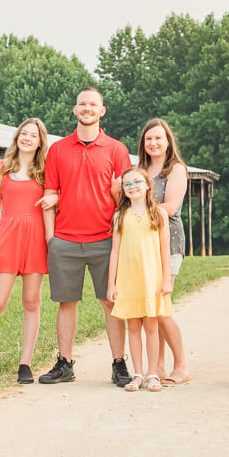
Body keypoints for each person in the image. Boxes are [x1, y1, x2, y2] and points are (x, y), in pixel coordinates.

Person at [37, 88, 133, 385]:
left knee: (110, 302)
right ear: (75, 110)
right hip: (65, 239)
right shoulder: (58, 149)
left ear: (102, 111)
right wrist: (52, 238)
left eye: (93, 104)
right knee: (67, 303)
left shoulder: (116, 149)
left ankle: (119, 363)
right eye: (82, 104)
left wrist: (119, 235)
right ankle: (64, 363)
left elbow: (127, 197)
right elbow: (49, 195)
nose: (87, 108)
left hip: (105, 239)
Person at [0, 118, 51, 384]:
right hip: (7, 239)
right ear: (17, 137)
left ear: (40, 142)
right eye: (23, 133)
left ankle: (25, 364)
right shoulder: (1, 168)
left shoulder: (45, 171)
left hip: (35, 239)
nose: (27, 138)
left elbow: (54, 200)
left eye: (33, 135)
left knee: (31, 302)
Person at [107, 168, 173, 392]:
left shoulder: (159, 213)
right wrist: (111, 284)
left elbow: (165, 249)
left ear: (147, 184)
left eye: (137, 182)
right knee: (133, 325)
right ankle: (137, 374)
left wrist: (166, 280)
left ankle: (153, 373)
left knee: (151, 325)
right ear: (123, 190)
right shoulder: (120, 216)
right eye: (127, 184)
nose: (132, 186)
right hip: (128, 279)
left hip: (151, 278)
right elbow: (114, 252)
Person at [138, 118, 191, 386]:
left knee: (161, 308)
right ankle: (156, 365)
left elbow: (169, 207)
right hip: (141, 245)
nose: (154, 143)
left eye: (159, 138)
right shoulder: (139, 170)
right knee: (150, 308)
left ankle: (181, 363)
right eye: (149, 139)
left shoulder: (176, 170)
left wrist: (135, 210)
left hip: (167, 242)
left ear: (168, 141)